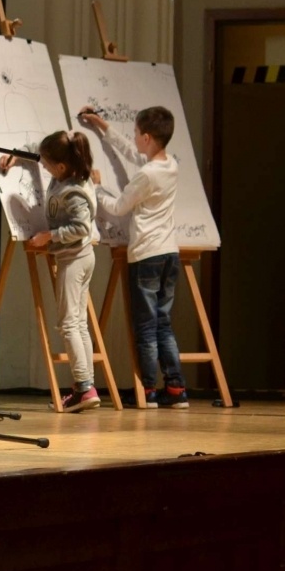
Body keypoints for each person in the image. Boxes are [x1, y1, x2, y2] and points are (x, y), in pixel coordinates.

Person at [81, 104, 187, 408]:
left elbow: (117, 209)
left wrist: (97, 187)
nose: (134, 137)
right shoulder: (170, 165)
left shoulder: (147, 176)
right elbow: (131, 152)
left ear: (148, 137)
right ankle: (177, 390)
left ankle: (149, 391)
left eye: (137, 133)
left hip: (147, 255)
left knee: (145, 326)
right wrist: (103, 125)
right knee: (163, 323)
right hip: (170, 253)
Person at [4, 131, 100, 412]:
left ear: (60, 167)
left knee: (69, 323)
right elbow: (37, 148)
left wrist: (50, 236)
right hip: (79, 258)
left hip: (75, 258)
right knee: (78, 323)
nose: (42, 167)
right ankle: (86, 386)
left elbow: (82, 228)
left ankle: (84, 387)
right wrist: (14, 154)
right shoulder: (69, 167)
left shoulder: (74, 191)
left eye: (46, 165)